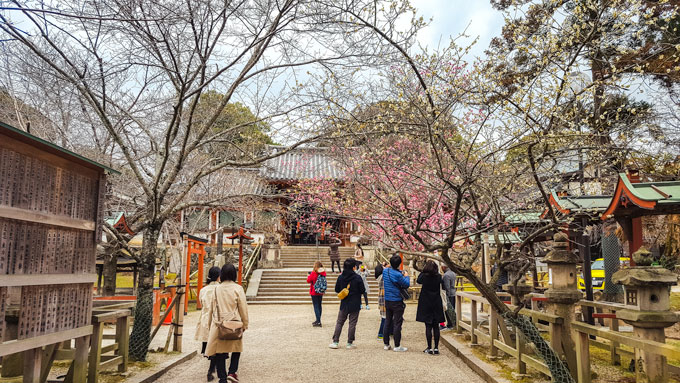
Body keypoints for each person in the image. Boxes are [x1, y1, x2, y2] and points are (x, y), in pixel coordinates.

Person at [205, 263, 249, 383]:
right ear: (234, 274)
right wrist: (245, 323)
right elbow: (243, 308)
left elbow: (211, 309)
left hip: (219, 324)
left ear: (222, 274)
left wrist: (209, 325)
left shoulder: (216, 289)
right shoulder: (238, 288)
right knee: (236, 348)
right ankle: (232, 371)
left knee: (220, 352)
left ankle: (222, 378)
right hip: (234, 323)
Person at [329, 258, 365, 349]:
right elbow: (362, 290)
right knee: (352, 323)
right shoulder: (357, 277)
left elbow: (337, 289)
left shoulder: (341, 277)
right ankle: (349, 343)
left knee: (340, 322)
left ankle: (335, 341)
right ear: (353, 267)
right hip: (355, 302)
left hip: (344, 302)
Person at [195, 266, 221, 381]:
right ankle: (212, 369)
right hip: (217, 318)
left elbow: (201, 303)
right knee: (217, 346)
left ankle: (212, 367)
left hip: (206, 319)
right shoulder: (220, 289)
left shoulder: (203, 290)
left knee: (209, 344)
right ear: (219, 276)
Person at [416, 261, 446, 355]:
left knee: (428, 326)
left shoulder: (424, 276)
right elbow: (443, 286)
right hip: (436, 302)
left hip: (426, 302)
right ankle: (436, 348)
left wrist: (423, 271)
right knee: (436, 326)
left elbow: (418, 280)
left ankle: (429, 347)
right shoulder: (439, 277)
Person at [382, 254, 410, 352]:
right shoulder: (398, 275)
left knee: (387, 321)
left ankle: (386, 344)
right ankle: (397, 346)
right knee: (397, 323)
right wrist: (406, 276)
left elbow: (389, 269)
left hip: (387, 300)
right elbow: (406, 284)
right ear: (399, 264)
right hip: (397, 301)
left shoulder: (385, 271)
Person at [307, 261, 327, 327]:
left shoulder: (313, 273)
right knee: (319, 305)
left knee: (316, 306)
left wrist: (308, 275)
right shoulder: (323, 273)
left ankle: (318, 321)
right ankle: (318, 319)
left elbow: (308, 281)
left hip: (314, 291)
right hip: (320, 291)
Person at [441, 264, 457, 330]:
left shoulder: (446, 275)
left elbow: (447, 287)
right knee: (452, 308)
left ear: (444, 267)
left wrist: (446, 295)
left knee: (448, 309)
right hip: (453, 292)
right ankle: (453, 323)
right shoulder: (453, 273)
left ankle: (450, 324)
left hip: (449, 294)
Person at [375, 262, 387, 339]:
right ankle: (381, 333)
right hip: (384, 297)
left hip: (381, 297)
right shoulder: (383, 276)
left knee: (385, 316)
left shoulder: (379, 277)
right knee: (384, 317)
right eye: (383, 266)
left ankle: (389, 332)